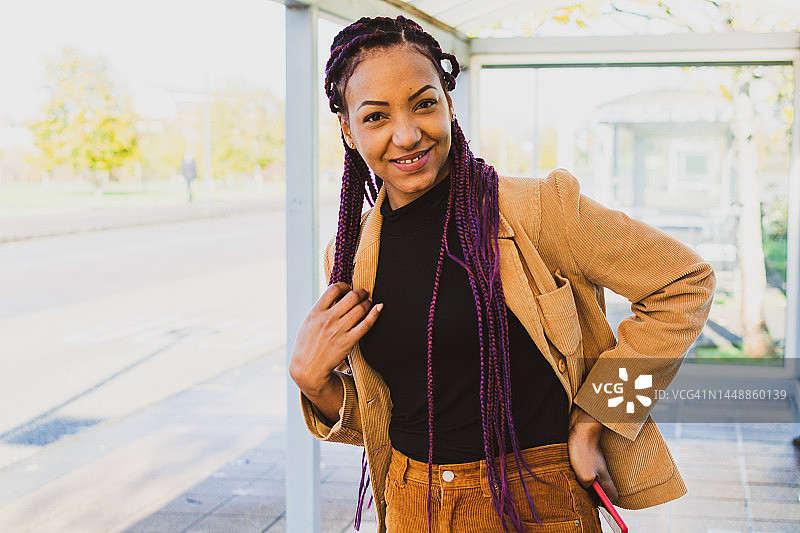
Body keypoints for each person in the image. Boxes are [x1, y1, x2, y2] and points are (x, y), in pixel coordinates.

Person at [289, 15, 715, 533]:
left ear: (448, 103)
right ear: (348, 131)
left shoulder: (536, 210)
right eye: (376, 117)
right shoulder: (352, 253)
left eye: (424, 103)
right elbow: (391, 416)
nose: (406, 134)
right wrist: (313, 383)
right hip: (408, 505)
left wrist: (596, 418)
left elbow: (684, 281)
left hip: (536, 503)